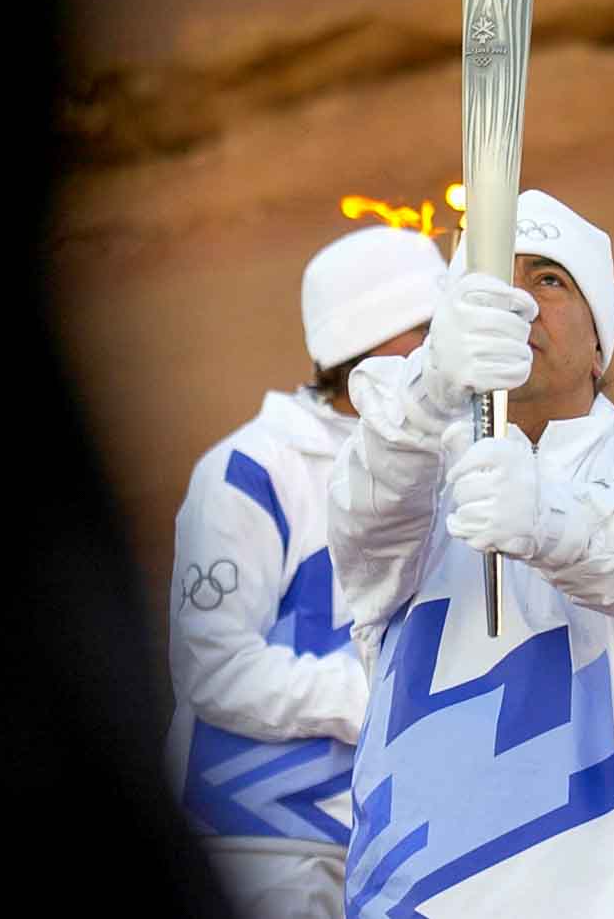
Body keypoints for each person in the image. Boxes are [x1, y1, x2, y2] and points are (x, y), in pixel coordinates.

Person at [328, 189, 614, 918]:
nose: (517, 305)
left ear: (600, 344)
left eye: (549, 280)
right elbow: (366, 520)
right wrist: (433, 388)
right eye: (491, 287)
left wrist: (545, 517)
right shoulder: (406, 476)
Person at [165, 224, 449, 919]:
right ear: (362, 345)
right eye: (426, 329)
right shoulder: (250, 471)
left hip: (398, 843)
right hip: (259, 845)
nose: (443, 352)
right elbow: (215, 667)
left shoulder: (457, 457)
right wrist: (379, 702)